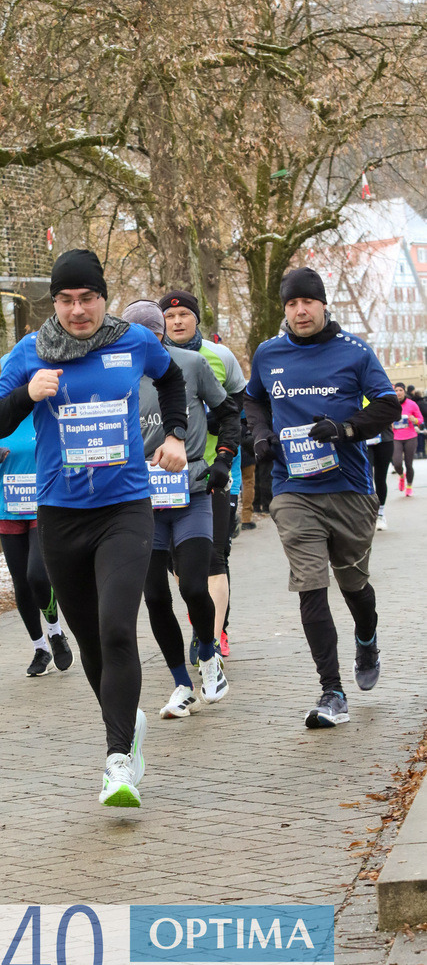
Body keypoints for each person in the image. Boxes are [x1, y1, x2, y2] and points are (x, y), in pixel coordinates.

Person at [0, 249, 188, 807]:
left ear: (103, 298)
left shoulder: (134, 341)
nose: (77, 310)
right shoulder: (31, 352)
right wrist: (28, 394)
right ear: (54, 303)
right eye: (66, 300)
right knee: (92, 642)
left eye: (87, 298)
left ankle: (117, 761)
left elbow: (171, 380)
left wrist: (174, 434)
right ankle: (126, 725)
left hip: (124, 508)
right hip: (60, 516)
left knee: (117, 627)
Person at [245, 266, 400, 728]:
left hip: (350, 488)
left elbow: (388, 405)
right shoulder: (268, 353)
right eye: (292, 303)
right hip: (293, 489)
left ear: (323, 304)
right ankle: (332, 692)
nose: (300, 311)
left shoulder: (354, 351)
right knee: (311, 583)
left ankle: (367, 639)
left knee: (354, 586)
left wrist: (345, 429)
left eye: (307, 301)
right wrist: (261, 434)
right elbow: (253, 399)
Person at [123, 300, 239, 719]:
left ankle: (208, 657)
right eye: (133, 335)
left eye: (151, 335)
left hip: (191, 493)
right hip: (141, 501)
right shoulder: (117, 373)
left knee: (192, 586)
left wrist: (223, 459)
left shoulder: (190, 364)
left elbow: (229, 414)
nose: (144, 343)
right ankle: (181, 685)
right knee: (155, 596)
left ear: (160, 335)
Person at [160, 291, 247, 658]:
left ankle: (214, 633)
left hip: (214, 471)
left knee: (215, 555)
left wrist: (224, 449)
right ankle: (202, 621)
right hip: (165, 477)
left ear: (196, 318)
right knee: (180, 562)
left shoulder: (219, 356)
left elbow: (238, 408)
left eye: (184, 314)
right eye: (170, 316)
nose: (177, 321)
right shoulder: (150, 361)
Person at [0, 404, 73, 677]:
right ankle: (40, 648)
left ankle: (55, 632)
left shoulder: (48, 410)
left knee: (37, 574)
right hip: (9, 509)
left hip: (44, 506)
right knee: (21, 583)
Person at [391, 382, 423, 497]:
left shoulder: (412, 404)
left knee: (409, 464)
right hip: (396, 437)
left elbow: (420, 420)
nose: (398, 393)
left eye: (400, 390)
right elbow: (384, 419)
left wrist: (415, 420)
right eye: (396, 390)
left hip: (410, 437)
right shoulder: (391, 405)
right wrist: (389, 423)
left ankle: (409, 486)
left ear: (404, 391)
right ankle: (401, 476)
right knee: (397, 463)